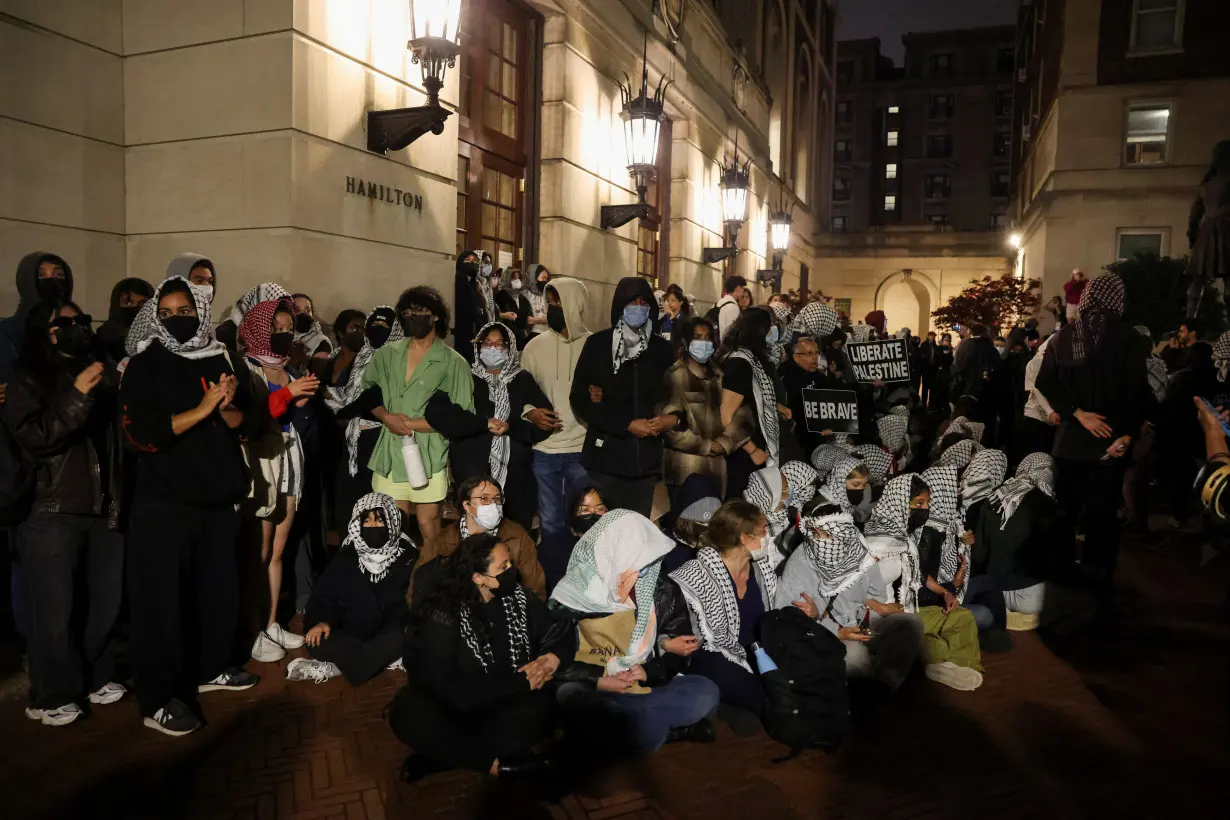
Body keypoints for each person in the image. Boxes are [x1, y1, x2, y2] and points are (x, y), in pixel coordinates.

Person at [120, 276, 257, 736]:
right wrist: (201, 409)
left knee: (216, 592)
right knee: (163, 604)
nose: (178, 319)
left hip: (216, 500)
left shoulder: (219, 355)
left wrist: (227, 407)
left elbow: (243, 425)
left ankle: (212, 667)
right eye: (168, 312)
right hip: (165, 504)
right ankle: (159, 700)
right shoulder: (145, 364)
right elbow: (142, 434)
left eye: (187, 311)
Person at [4, 300, 126, 726]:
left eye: (80, 321)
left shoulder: (101, 370)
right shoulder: (29, 378)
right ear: (44, 331)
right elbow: (34, 437)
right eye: (64, 323)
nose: (76, 328)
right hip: (52, 505)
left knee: (102, 601)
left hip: (103, 503)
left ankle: (94, 677)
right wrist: (78, 396)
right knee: (54, 609)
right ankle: (50, 692)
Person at [390, 532, 570, 781]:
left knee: (544, 706)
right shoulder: (442, 614)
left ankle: (445, 756)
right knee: (409, 712)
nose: (512, 571)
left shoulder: (518, 597)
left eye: (510, 563)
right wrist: (518, 683)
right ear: (478, 578)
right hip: (454, 706)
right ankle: (496, 765)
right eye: (503, 566)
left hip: (503, 703)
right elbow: (447, 688)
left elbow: (557, 631)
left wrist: (552, 657)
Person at [550, 510, 720, 752]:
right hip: (597, 685)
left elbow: (677, 655)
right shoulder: (574, 592)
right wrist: (599, 678)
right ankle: (664, 729)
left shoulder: (662, 589)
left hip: (644, 685)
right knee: (569, 695)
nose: (643, 569)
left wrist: (650, 669)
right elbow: (553, 659)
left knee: (705, 691)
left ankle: (632, 730)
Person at [1037, 273, 1148, 584]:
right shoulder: (1128, 338)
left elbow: (1044, 382)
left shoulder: (1064, 337)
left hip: (1070, 441)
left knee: (1065, 512)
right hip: (1110, 443)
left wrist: (1077, 413)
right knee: (1102, 515)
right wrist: (1126, 434)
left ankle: (1059, 572)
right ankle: (1097, 575)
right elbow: (1137, 393)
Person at [671, 500, 805, 723]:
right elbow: (689, 632)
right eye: (763, 532)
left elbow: (778, 608)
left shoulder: (760, 568)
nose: (767, 538)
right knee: (727, 673)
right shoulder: (696, 575)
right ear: (744, 538)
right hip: (716, 651)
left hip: (759, 647)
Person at [239, 296, 320, 662]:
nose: (285, 336)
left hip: (289, 456)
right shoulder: (248, 368)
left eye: (289, 329)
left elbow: (293, 420)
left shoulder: (288, 370)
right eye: (277, 329)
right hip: (262, 459)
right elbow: (253, 417)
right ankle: (252, 628)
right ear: (260, 330)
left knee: (278, 552)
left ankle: (270, 622)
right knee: (259, 550)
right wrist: (289, 395)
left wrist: (300, 403)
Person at [363, 286, 473, 546]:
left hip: (430, 453)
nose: (413, 316)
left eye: (420, 311)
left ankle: (431, 580)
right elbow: (367, 394)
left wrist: (413, 424)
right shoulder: (387, 355)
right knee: (391, 524)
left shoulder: (453, 362)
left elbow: (462, 414)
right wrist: (386, 417)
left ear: (435, 316)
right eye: (408, 312)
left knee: (428, 525)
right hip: (390, 452)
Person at [424, 322, 553, 532]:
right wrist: (482, 423)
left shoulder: (522, 380)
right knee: (474, 534)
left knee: (515, 534)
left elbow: (545, 423)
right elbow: (438, 413)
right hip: (471, 474)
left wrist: (512, 426)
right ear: (478, 347)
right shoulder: (464, 376)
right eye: (487, 343)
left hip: (515, 479)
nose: (492, 349)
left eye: (500, 344)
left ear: (510, 348)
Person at [776, 510, 923, 693]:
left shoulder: (859, 553)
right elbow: (795, 616)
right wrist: (837, 631)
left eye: (827, 535)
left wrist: (878, 611)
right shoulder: (802, 561)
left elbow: (873, 594)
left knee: (910, 624)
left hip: (862, 623)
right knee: (854, 656)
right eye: (815, 534)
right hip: (827, 631)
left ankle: (886, 687)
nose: (820, 542)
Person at [863, 473, 983, 690]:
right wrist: (884, 608)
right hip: (877, 617)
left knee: (962, 616)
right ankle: (942, 662)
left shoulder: (903, 536)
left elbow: (917, 574)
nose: (925, 509)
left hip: (907, 609)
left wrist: (944, 593)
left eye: (927, 503)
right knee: (916, 632)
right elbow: (851, 589)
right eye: (919, 503)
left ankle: (960, 664)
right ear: (900, 502)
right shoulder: (877, 542)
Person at [571, 276, 677, 516]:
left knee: (635, 531)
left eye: (644, 302)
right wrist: (626, 424)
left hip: (644, 461)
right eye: (632, 302)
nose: (638, 307)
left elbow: (672, 395)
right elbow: (580, 399)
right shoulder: (599, 344)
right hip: (606, 458)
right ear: (620, 305)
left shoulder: (660, 349)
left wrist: (667, 419)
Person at [288, 493, 417, 684]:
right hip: (350, 631)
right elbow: (325, 595)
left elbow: (408, 605)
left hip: (388, 631)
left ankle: (338, 667)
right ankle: (373, 661)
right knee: (316, 639)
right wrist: (323, 621)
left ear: (392, 523)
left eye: (380, 521)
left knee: (400, 638)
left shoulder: (408, 556)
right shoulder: (348, 553)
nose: (373, 527)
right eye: (367, 521)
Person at [520, 278, 589, 538]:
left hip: (582, 448)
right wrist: (531, 413)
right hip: (544, 449)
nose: (553, 309)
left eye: (558, 302)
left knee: (584, 521)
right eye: (550, 303)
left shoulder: (594, 345)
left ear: (576, 303)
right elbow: (520, 391)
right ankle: (552, 573)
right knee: (549, 521)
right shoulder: (534, 347)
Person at [325, 307, 402, 531]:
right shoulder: (361, 356)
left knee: (377, 509)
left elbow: (367, 399)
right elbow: (348, 395)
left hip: (383, 438)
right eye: (374, 326)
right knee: (348, 505)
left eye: (385, 327)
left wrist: (343, 404)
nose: (378, 331)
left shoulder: (397, 360)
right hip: (355, 439)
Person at [974, 453, 1068, 631]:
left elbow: (979, 554)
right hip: (1032, 600)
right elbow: (1058, 564)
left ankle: (999, 614)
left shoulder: (995, 499)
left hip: (993, 592)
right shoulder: (1050, 508)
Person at [414, 475, 546, 601]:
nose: (493, 505)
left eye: (497, 499)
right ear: (467, 505)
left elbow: (535, 589)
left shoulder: (517, 537)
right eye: (484, 498)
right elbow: (419, 588)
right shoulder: (442, 542)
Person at [659, 316, 748, 495]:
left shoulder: (719, 374)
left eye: (708, 338)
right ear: (686, 341)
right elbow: (670, 427)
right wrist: (707, 446)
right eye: (697, 337)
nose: (704, 343)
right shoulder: (675, 376)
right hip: (686, 471)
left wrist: (725, 443)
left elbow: (743, 415)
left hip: (717, 471)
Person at [718, 306, 787, 499]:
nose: (773, 331)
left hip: (751, 452)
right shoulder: (739, 363)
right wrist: (753, 450)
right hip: (743, 455)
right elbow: (725, 416)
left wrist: (773, 407)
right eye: (770, 326)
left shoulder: (751, 360)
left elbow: (749, 398)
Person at [0, 252, 73, 388]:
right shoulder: (8, 332)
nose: (52, 281)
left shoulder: (76, 326)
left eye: (59, 275)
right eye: (41, 275)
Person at [1184, 140, 1230, 318]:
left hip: (1207, 231)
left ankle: (1189, 321)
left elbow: (1195, 214)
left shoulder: (1207, 183)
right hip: (1226, 231)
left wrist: (1193, 236)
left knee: (1198, 280)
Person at [780, 334, 843, 456]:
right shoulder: (785, 378)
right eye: (809, 354)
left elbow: (837, 394)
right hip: (799, 441)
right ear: (796, 357)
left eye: (816, 353)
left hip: (821, 438)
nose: (815, 358)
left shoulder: (817, 375)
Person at [539, 484, 609, 593]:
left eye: (599, 509)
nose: (593, 514)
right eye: (585, 510)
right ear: (572, 512)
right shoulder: (553, 546)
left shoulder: (613, 542)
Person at [1019, 334, 1059, 465]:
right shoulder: (1036, 363)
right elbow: (1037, 390)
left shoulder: (1059, 363)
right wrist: (1050, 411)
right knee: (1034, 460)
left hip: (1054, 419)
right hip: (1036, 417)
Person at [95, 278, 154, 364]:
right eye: (128, 303)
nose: (135, 308)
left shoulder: (159, 339)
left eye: (143, 303)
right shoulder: (100, 342)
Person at [814, 454, 874, 525]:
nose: (861, 489)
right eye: (855, 484)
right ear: (840, 481)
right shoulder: (824, 510)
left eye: (864, 485)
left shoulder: (843, 503)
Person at [710, 275, 747, 343]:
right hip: (725, 347)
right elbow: (731, 331)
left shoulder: (717, 303)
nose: (743, 291)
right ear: (738, 287)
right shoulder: (732, 307)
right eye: (742, 288)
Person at [522, 263, 551, 338]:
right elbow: (523, 319)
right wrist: (542, 320)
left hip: (548, 334)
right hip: (530, 334)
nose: (545, 281)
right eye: (543, 278)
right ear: (534, 278)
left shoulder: (547, 293)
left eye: (546, 279)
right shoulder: (524, 294)